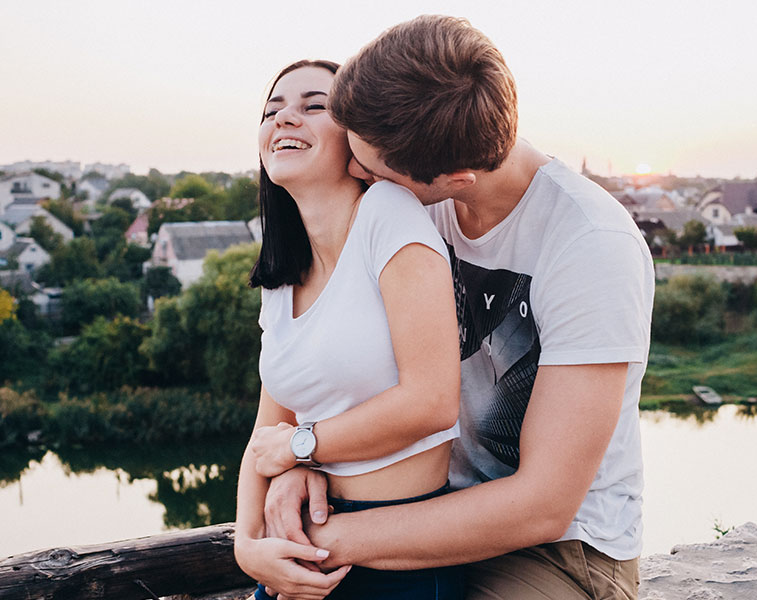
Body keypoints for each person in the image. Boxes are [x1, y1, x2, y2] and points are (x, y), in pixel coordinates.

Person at [260, 15, 654, 600]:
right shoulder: (408, 196)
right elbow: (324, 354)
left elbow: (541, 505)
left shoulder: (590, 246)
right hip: (424, 501)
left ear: (454, 179)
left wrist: (318, 542)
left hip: (556, 549)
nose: (354, 173)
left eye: (370, 167)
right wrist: (299, 469)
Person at [233, 59, 464, 600]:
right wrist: (247, 546)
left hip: (397, 556)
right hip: (304, 549)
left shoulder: (387, 213)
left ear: (357, 139)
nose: (285, 118)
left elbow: (432, 402)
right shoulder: (281, 274)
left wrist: (300, 447)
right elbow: (266, 433)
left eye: (314, 106)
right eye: (273, 110)